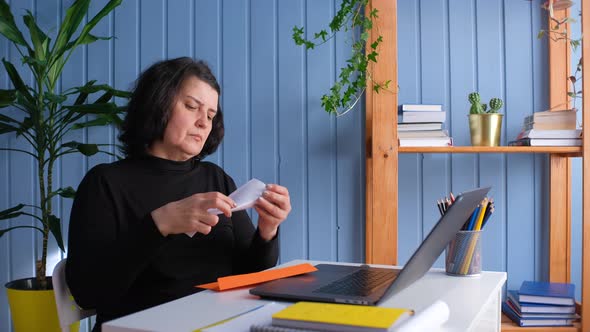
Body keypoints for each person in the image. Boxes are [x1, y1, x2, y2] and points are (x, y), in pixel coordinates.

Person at [65, 57, 291, 332]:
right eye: (192, 106)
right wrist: (157, 225)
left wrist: (267, 230)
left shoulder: (215, 178)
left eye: (210, 115)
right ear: (157, 103)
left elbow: (250, 273)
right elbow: (89, 293)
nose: (203, 123)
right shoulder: (105, 183)